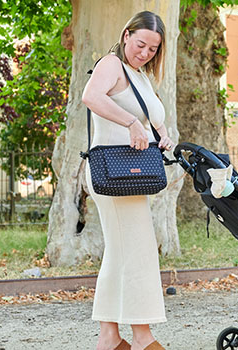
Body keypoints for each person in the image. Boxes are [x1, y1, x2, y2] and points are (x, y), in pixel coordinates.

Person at [81, 11, 174, 350]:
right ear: (126, 35)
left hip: (132, 174)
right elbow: (91, 97)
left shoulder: (141, 76)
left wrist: (162, 135)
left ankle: (109, 337)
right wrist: (132, 124)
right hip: (113, 173)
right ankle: (142, 337)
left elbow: (153, 118)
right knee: (138, 251)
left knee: (122, 253)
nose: (145, 53)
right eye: (141, 44)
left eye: (153, 49)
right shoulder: (111, 64)